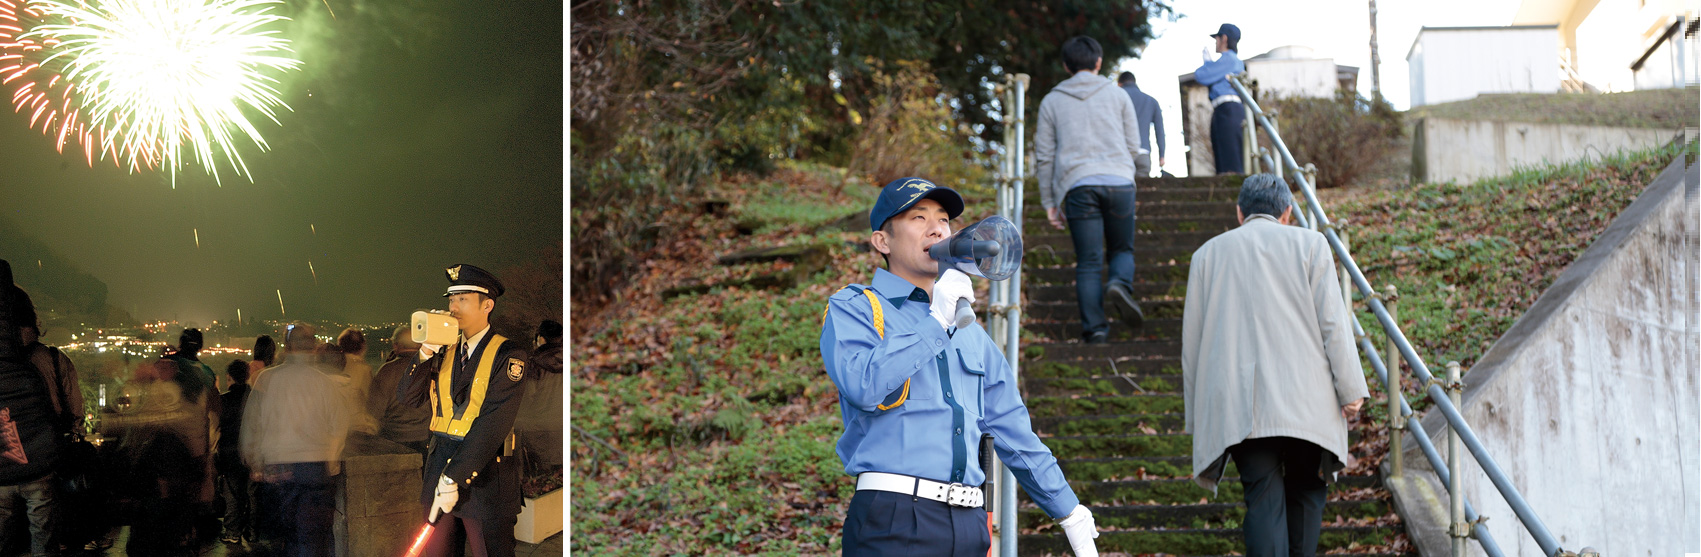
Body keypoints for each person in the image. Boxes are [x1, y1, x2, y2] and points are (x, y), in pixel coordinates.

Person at [820, 177, 1100, 557]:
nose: (936, 227)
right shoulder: (855, 307)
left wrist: (1068, 510)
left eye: (943, 219)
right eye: (918, 218)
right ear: (882, 242)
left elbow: (1012, 429)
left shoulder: (971, 332)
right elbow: (864, 385)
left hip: (970, 525)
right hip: (893, 518)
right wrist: (935, 322)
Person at [1180, 174, 1370, 557]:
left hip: (1240, 405)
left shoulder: (1206, 256)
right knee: (1306, 487)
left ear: (1239, 213)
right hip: (1307, 400)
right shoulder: (1311, 245)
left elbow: (1193, 347)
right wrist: (1350, 390)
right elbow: (1334, 324)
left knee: (1262, 496)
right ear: (1287, 212)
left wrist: (1197, 418)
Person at [396, 265, 529, 557]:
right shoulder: (443, 349)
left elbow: (493, 423)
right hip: (439, 470)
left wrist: (453, 477)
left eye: (463, 299)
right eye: (451, 299)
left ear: (487, 305)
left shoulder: (509, 354)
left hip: (485, 475)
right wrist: (425, 351)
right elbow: (407, 399)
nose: (453, 307)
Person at [1034, 35, 1145, 344]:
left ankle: (1096, 329)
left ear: (1066, 65)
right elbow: (1135, 147)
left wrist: (1050, 201)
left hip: (1077, 185)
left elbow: (1045, 156)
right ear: (1099, 62)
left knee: (1088, 261)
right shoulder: (1119, 95)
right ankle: (1120, 283)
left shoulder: (1051, 101)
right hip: (1121, 181)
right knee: (1122, 248)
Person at [241, 323, 350, 557]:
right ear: (312, 348)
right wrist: (331, 462)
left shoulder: (265, 380)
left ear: (286, 347)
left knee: (284, 537)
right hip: (315, 468)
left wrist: (254, 461)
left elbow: (252, 425)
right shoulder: (325, 383)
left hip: (278, 467)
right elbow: (339, 425)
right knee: (313, 538)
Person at [0, 278, 64, 557]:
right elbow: (65, 411)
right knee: (43, 538)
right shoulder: (47, 358)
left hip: (3, 468)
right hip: (39, 464)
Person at [367, 327, 431, 456]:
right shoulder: (430, 368)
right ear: (419, 344)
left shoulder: (387, 371)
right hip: (425, 436)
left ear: (396, 345)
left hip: (393, 438)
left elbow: (374, 410)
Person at [1194, 23, 1247, 175]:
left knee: (1230, 158)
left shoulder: (1230, 59)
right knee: (1222, 155)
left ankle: (1233, 193)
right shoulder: (1227, 61)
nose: (1215, 42)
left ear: (1224, 38)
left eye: (1216, 38)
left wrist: (1208, 65)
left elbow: (1201, 75)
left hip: (1229, 109)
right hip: (1221, 110)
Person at [515, 320, 562, 472]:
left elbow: (526, 400)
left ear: (541, 339)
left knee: (543, 481)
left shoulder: (534, 364)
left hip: (537, 432)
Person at [217, 360, 253, 544]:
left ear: (229, 377)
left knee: (232, 494)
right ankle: (254, 531)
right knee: (253, 494)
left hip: (230, 453)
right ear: (247, 375)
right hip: (253, 452)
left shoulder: (223, 400)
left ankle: (232, 531)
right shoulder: (256, 398)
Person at [1116, 71, 1166, 178]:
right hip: (1143, 152)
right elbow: (1160, 130)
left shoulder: (1115, 98)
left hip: (1120, 152)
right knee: (1142, 188)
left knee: (1121, 187)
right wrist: (1161, 155)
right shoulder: (1151, 101)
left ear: (1119, 83)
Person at [336, 328, 378, 435]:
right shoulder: (364, 369)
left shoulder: (335, 364)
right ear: (362, 346)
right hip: (357, 425)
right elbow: (370, 399)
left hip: (337, 423)